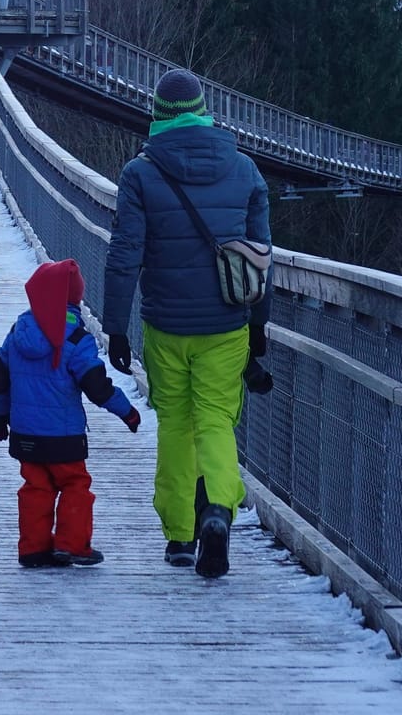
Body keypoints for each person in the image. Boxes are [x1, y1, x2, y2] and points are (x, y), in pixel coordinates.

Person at [102, 68, 271, 579]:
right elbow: (262, 262)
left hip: (166, 326)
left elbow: (124, 256)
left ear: (158, 114)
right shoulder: (245, 170)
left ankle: (179, 535)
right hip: (226, 324)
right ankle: (218, 511)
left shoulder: (140, 174)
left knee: (175, 424)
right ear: (203, 109)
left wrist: (115, 328)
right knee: (216, 420)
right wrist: (258, 331)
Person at [0, 259, 140, 568]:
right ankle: (71, 545)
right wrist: (127, 412)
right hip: (64, 436)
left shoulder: (18, 331)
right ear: (74, 299)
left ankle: (33, 549)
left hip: (25, 434)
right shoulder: (76, 338)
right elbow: (96, 385)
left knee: (35, 488)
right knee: (74, 485)